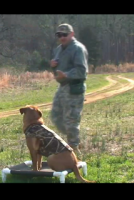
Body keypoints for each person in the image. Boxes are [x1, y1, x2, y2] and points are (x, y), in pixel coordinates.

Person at [49, 23, 89, 157]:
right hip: (63, 87)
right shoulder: (59, 50)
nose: (62, 37)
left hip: (74, 87)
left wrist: (67, 75)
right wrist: (53, 66)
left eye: (65, 35)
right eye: (59, 35)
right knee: (55, 115)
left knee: (71, 118)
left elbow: (82, 71)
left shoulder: (77, 49)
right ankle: (73, 138)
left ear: (72, 34)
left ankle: (74, 148)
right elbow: (58, 69)